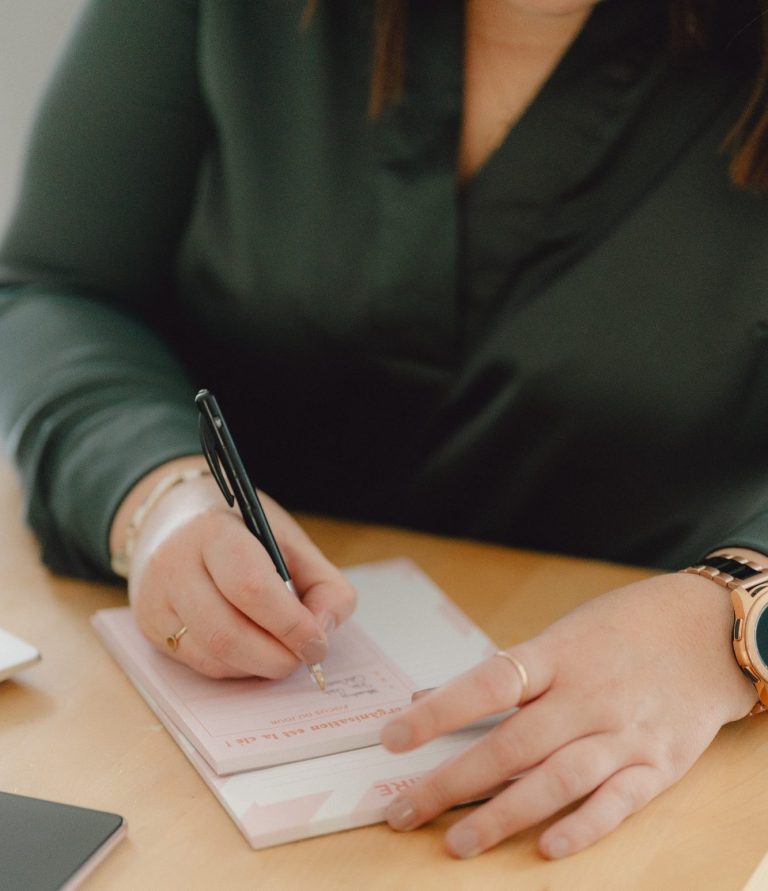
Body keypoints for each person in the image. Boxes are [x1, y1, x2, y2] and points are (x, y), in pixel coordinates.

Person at [1, 0, 768, 863]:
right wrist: (156, 497)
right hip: (194, 746)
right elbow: (58, 289)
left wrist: (729, 624)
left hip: (649, 750)